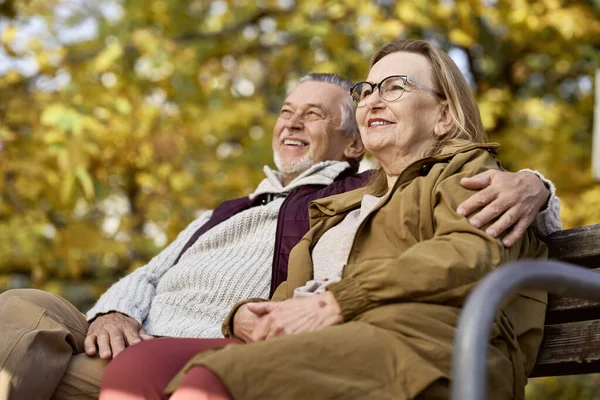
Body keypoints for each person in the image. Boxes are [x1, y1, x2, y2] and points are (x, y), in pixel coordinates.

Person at [0, 71, 557, 400]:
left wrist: (536, 183)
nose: (291, 123)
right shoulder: (224, 209)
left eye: (313, 116)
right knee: (19, 308)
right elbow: (147, 274)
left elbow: (449, 188)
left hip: (204, 347)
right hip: (130, 331)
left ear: (354, 141)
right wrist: (110, 314)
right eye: (287, 112)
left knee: (34, 369)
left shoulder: (354, 191)